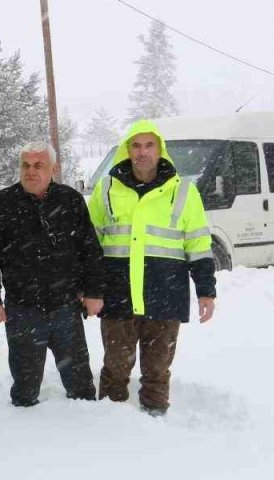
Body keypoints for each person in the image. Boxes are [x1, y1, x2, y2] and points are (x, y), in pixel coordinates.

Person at [87, 119, 217, 415]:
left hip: (165, 295)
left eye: (149, 145)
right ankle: (108, 419)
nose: (142, 152)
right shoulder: (107, 188)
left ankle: (156, 421)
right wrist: (89, 287)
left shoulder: (183, 191)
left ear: (160, 150)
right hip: (117, 295)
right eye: (136, 145)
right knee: (115, 367)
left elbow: (198, 244)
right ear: (126, 150)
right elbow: (90, 244)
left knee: (157, 369)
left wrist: (206, 292)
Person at [0, 141, 105, 407]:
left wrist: (93, 291)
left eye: (39, 165)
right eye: (25, 165)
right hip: (23, 310)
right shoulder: (3, 203)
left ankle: (90, 436)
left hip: (66, 309)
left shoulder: (70, 200)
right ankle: (26, 440)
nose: (31, 171)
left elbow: (90, 250)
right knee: (25, 391)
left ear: (53, 169)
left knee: (81, 387)